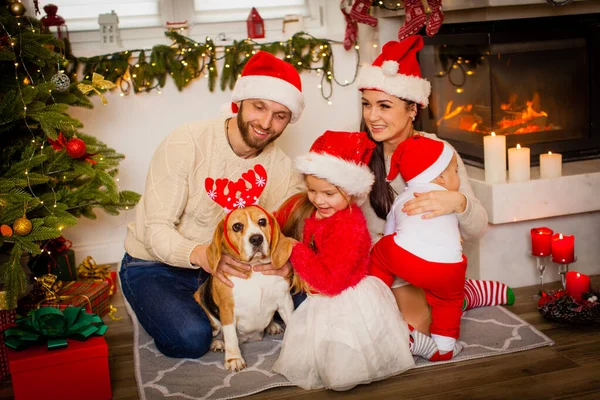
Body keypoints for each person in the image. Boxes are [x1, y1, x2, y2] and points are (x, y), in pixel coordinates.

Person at [120, 51, 306, 358]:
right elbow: (155, 229)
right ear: (240, 102)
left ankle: (247, 312)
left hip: (239, 266)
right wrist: (202, 254)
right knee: (191, 338)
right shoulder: (187, 142)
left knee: (312, 299)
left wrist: (287, 262)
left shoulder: (281, 167)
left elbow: (294, 228)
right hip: (156, 265)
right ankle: (157, 304)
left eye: (280, 115)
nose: (266, 123)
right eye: (259, 107)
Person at [356, 36, 514, 336]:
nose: (372, 116)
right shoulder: (358, 151)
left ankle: (462, 294)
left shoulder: (439, 153)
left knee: (409, 334)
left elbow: (477, 229)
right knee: (362, 332)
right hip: (378, 266)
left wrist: (458, 203)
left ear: (413, 109)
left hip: (425, 267)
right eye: (367, 105)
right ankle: (455, 296)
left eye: (384, 106)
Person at [272, 130, 415, 391]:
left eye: (328, 193)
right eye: (312, 191)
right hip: (320, 292)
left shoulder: (347, 226)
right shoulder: (321, 213)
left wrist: (294, 249)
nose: (318, 200)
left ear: (351, 191)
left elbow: (332, 283)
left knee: (342, 373)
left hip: (343, 298)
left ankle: (406, 345)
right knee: (317, 346)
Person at [370, 135, 466, 361]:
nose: (458, 177)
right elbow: (452, 234)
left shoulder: (403, 197)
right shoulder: (449, 200)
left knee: (381, 252)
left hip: (407, 260)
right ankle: (445, 348)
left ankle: (375, 292)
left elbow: (392, 231)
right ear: (442, 177)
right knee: (449, 302)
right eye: (456, 172)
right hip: (449, 269)